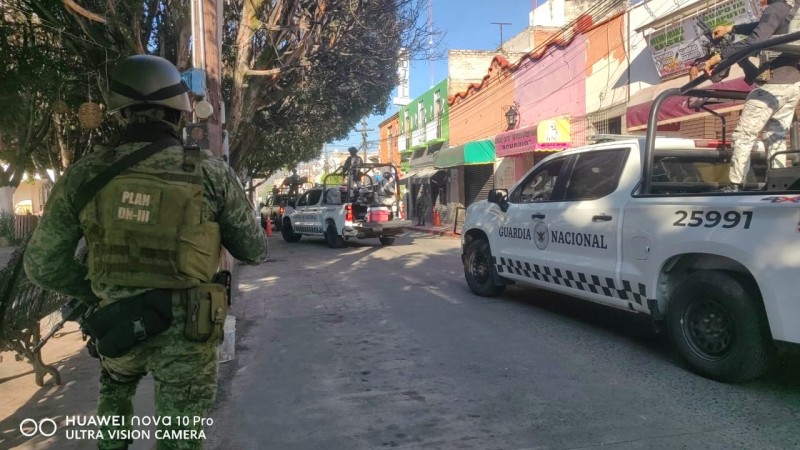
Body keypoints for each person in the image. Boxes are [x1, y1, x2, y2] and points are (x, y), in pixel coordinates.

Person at [23, 55, 268, 450]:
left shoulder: (84, 174)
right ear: (178, 114)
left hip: (118, 330)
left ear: (120, 114)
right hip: (188, 335)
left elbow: (40, 265)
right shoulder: (209, 172)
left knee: (115, 400)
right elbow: (254, 251)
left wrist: (96, 291)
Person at [705, 0, 800, 192]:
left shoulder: (775, 8)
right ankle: (778, 184)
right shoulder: (792, 9)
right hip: (793, 83)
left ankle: (734, 184)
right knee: (776, 136)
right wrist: (732, 28)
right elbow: (764, 26)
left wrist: (721, 56)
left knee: (743, 135)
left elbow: (756, 39)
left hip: (772, 85)